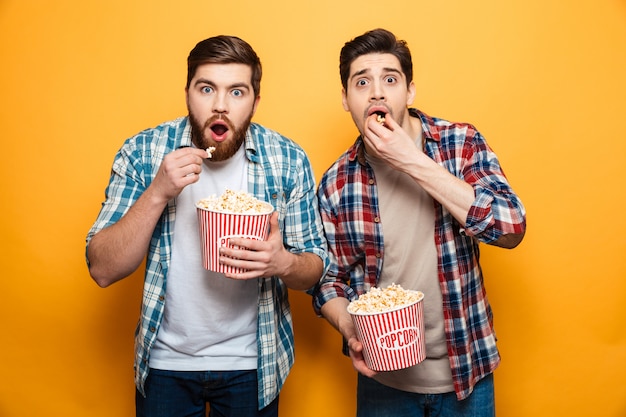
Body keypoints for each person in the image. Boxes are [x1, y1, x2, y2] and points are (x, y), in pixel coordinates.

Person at [86, 35, 328, 417]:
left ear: (255, 101)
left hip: (255, 363)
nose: (220, 105)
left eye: (236, 91)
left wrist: (282, 263)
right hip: (166, 364)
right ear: (187, 93)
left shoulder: (287, 159)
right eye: (206, 89)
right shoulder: (144, 152)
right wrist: (157, 192)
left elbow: (315, 267)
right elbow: (102, 268)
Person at [312, 28, 526, 417]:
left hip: (467, 372)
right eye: (362, 82)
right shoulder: (336, 183)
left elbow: (511, 227)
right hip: (384, 381)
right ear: (346, 99)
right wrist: (349, 327)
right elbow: (329, 280)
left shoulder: (460, 143)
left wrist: (410, 160)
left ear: (409, 92)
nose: (377, 92)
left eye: (390, 80)